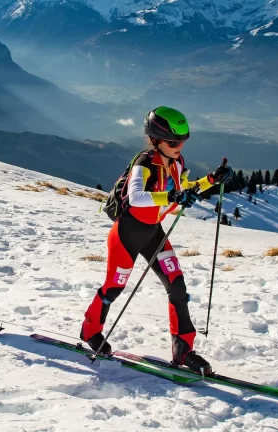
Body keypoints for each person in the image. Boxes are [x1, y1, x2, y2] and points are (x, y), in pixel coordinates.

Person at [81, 106, 232, 375]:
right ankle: (90, 330)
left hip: (154, 233)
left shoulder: (177, 162)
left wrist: (211, 179)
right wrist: (171, 198)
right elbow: (136, 197)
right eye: (174, 141)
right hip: (128, 232)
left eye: (183, 140)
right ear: (154, 139)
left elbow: (183, 189)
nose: (179, 145)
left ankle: (183, 349)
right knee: (114, 288)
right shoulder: (144, 163)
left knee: (177, 285)